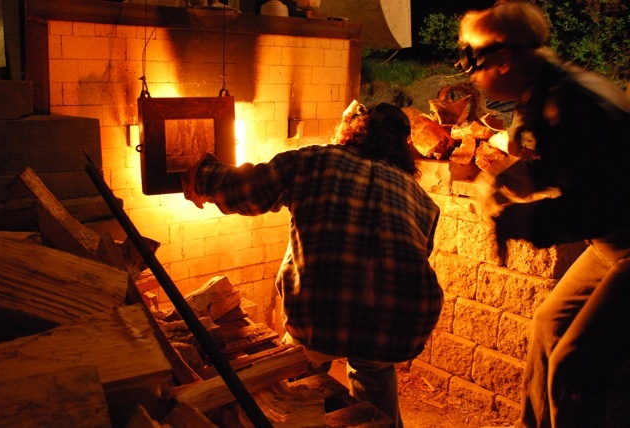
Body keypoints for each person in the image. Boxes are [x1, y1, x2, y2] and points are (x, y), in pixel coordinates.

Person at [181, 101, 443, 427]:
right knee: (375, 370)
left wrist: (202, 176)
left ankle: (294, 397)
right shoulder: (421, 200)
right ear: (402, 148)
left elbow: (247, 188)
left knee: (301, 363)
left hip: (320, 316)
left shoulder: (316, 159)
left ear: (351, 132)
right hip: (399, 326)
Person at [457, 1, 630, 427]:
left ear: (503, 58)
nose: (467, 67)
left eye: (471, 56)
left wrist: (521, 222)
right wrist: (510, 177)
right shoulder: (551, 91)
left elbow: (597, 205)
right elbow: (578, 165)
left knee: (575, 364)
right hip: (615, 240)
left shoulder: (571, 102)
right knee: (547, 325)